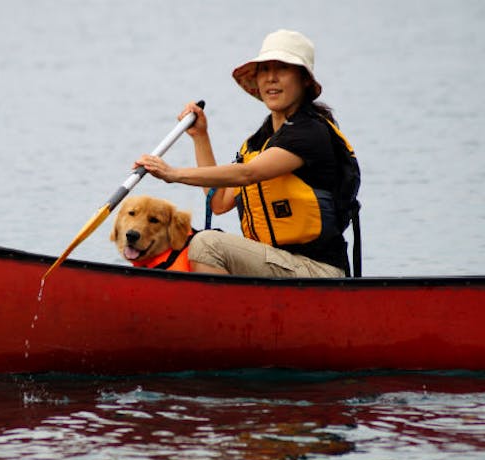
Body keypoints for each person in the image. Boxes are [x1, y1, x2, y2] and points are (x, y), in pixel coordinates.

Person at [135, 29, 351, 278]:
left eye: (282, 69)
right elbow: (218, 201)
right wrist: (201, 137)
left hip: (317, 272)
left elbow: (248, 173)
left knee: (207, 244)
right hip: (279, 266)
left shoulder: (310, 132)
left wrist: (173, 174)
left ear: (303, 80)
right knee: (192, 241)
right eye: (264, 70)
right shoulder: (259, 141)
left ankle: (223, 315)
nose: (271, 78)